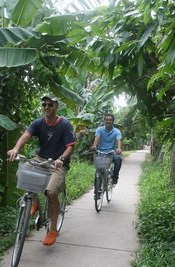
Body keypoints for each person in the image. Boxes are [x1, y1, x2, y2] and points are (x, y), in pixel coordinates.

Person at [7, 95, 76, 246]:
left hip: (58, 162)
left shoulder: (65, 125)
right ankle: (34, 201)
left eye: (50, 105)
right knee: (22, 174)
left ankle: (52, 229)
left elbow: (70, 146)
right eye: (44, 104)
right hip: (41, 158)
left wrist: (61, 159)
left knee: (51, 193)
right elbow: (26, 135)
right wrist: (15, 149)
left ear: (56, 106)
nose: (46, 107)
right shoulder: (38, 122)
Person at [90, 114, 122, 184]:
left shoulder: (117, 131)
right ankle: (97, 192)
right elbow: (96, 138)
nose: (108, 121)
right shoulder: (99, 130)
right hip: (100, 153)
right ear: (104, 121)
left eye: (110, 120)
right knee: (98, 171)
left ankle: (115, 177)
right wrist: (94, 146)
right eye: (106, 120)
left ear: (113, 121)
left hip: (111, 153)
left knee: (118, 159)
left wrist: (119, 148)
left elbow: (118, 140)